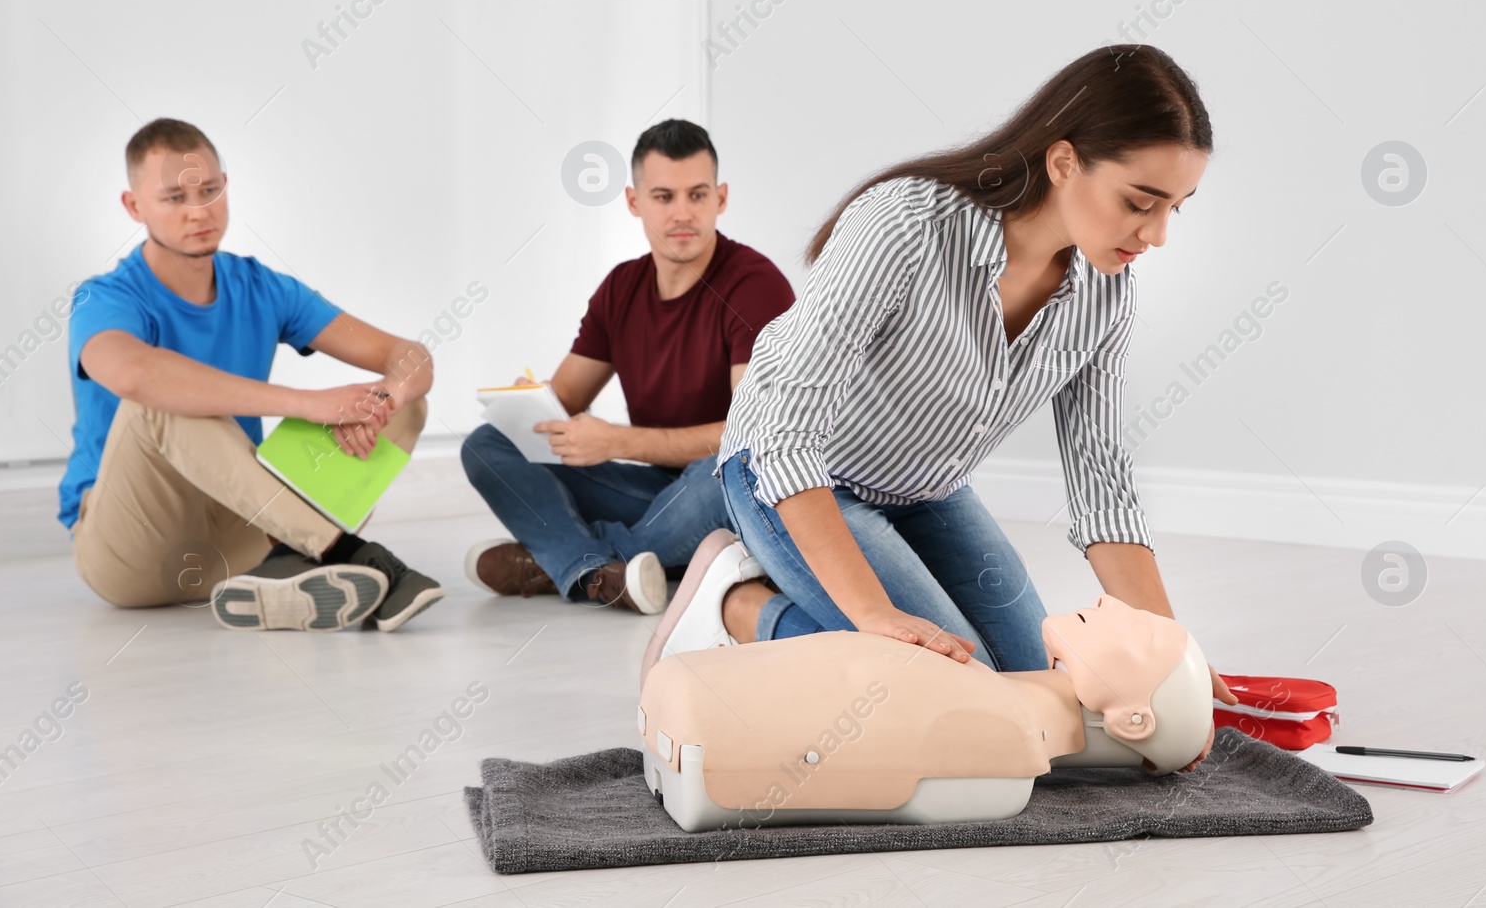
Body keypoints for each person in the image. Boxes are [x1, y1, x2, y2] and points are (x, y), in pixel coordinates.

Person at [646, 45, 1241, 772]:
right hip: (791, 474)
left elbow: (1101, 480)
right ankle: (737, 606)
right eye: (1140, 202)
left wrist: (1170, 657)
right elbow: (782, 430)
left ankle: (811, 607)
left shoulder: (1106, 293)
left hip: (923, 488)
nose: (1157, 235)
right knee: (969, 706)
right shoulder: (906, 226)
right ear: (1063, 163)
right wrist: (872, 613)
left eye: (1175, 208)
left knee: (1040, 692)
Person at [61, 118, 444, 632]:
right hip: (132, 547)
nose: (199, 211)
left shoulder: (261, 286)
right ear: (135, 207)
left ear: (226, 186)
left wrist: (382, 399)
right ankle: (345, 552)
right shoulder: (104, 297)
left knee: (403, 401)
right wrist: (309, 403)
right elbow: (133, 373)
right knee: (161, 395)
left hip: (246, 526)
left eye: (210, 190)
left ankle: (285, 565)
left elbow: (409, 357)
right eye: (174, 198)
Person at [462, 120, 795, 614]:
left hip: (727, 488)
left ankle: (566, 561)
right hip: (656, 495)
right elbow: (564, 403)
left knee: (731, 469)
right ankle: (611, 568)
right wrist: (528, 407)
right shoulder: (621, 288)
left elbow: (753, 439)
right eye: (663, 196)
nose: (682, 213)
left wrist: (619, 441)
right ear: (634, 202)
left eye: (697, 195)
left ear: (720, 198)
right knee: (488, 445)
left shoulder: (754, 285)